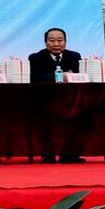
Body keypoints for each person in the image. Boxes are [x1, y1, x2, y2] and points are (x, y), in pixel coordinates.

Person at [28, 28, 86, 164]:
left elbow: (81, 75)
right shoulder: (36, 57)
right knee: (43, 118)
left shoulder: (74, 56)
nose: (56, 44)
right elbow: (35, 77)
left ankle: (70, 154)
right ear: (45, 42)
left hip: (70, 99)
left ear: (65, 41)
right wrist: (58, 76)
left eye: (60, 40)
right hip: (45, 99)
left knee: (81, 117)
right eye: (52, 40)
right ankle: (48, 154)